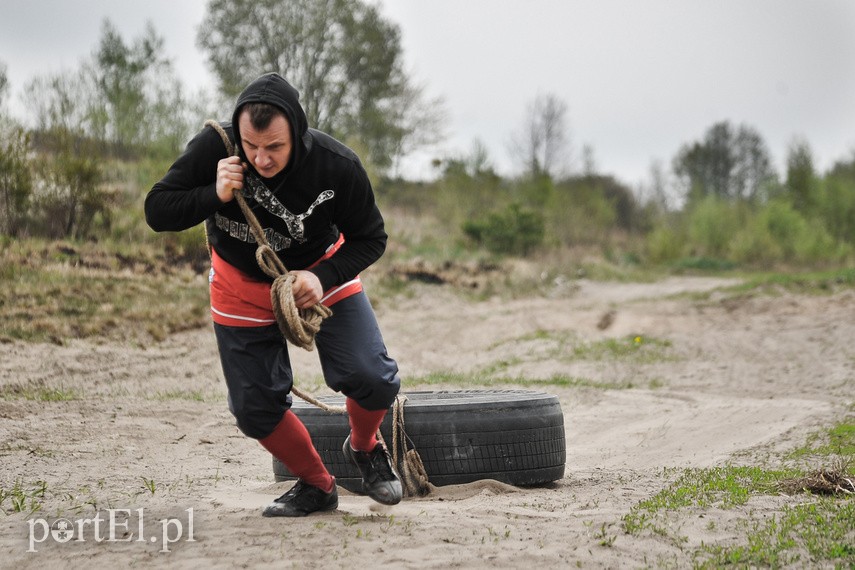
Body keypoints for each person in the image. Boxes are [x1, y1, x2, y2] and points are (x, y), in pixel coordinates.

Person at [145, 72, 403, 516]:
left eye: (275, 147)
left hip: (322, 276)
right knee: (254, 409)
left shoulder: (337, 165)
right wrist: (214, 192)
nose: (261, 159)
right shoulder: (215, 147)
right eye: (252, 146)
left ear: (297, 133)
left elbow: (371, 238)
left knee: (374, 378)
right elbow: (157, 210)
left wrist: (321, 276)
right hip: (238, 285)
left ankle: (364, 448)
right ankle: (317, 485)